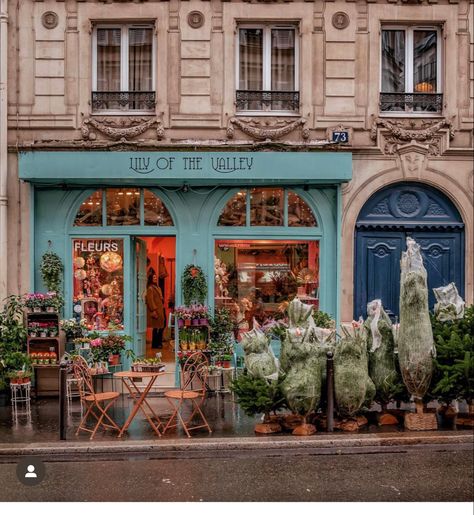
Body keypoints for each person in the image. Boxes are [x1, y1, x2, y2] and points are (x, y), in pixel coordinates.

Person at [145, 273, 165, 349]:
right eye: (154, 277)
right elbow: (150, 300)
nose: (156, 278)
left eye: (156, 277)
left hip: (160, 309)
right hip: (156, 310)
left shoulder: (157, 287)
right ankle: (156, 344)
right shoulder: (150, 288)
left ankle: (158, 343)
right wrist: (153, 310)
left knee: (161, 326)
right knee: (156, 327)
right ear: (151, 279)